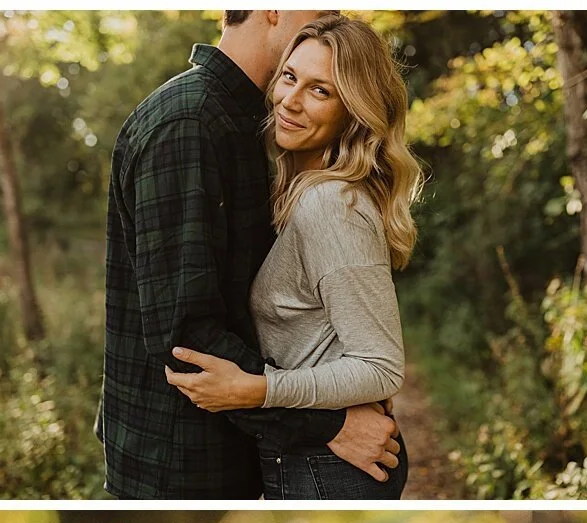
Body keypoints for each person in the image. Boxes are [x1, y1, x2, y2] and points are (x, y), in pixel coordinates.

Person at [98, 7, 400, 497]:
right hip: (182, 458)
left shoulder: (250, 127)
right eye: (325, 7)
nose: (335, 14)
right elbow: (188, 338)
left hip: (244, 450)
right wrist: (329, 424)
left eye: (320, 90)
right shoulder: (192, 122)